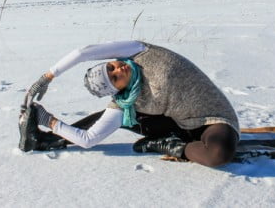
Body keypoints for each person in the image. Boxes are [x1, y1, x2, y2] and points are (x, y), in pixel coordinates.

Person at [18, 40, 240, 167]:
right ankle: (46, 138)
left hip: (214, 119)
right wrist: (50, 120)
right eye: (114, 78)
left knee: (218, 152)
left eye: (111, 66)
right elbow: (88, 139)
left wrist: (47, 77)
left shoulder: (138, 52)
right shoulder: (124, 102)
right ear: (116, 89)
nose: (118, 69)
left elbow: (82, 53)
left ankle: (157, 143)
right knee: (113, 116)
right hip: (180, 128)